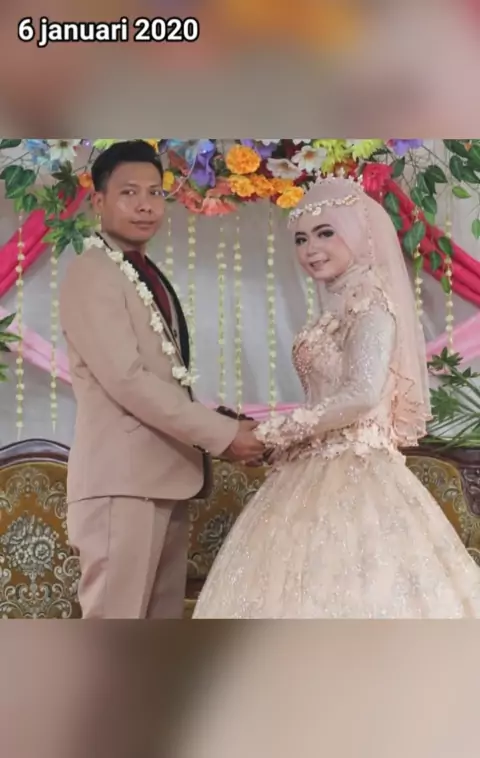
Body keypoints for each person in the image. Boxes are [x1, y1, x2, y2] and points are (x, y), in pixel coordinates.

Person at [193, 174, 480, 618]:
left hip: (358, 471)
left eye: (326, 233)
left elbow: (361, 395)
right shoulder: (338, 307)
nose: (311, 249)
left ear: (359, 234)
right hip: (311, 467)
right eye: (302, 238)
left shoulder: (372, 305)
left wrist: (274, 433)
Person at [59, 140, 264, 619]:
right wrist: (221, 434)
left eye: (155, 192)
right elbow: (128, 380)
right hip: (123, 485)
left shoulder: (141, 271)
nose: (146, 204)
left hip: (165, 478)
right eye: (129, 192)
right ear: (98, 201)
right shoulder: (93, 272)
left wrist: (221, 423)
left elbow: (162, 379)